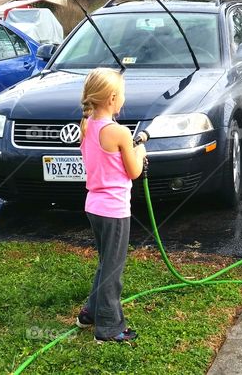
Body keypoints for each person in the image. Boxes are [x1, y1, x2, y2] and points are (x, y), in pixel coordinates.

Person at [74, 68, 147, 343]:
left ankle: (89, 314)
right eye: (123, 94)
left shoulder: (88, 125)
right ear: (113, 98)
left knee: (106, 264)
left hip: (94, 207)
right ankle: (109, 328)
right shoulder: (119, 132)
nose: (124, 99)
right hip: (114, 211)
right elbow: (134, 171)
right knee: (113, 271)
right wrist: (139, 150)